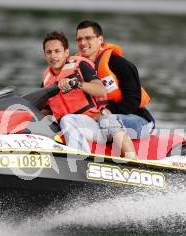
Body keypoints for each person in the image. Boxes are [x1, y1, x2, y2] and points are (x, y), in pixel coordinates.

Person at [66, 20, 155, 159]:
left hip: (138, 120)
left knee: (107, 119)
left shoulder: (120, 65)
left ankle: (134, 162)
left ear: (100, 39)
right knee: (67, 119)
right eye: (79, 39)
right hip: (99, 119)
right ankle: (76, 159)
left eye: (88, 38)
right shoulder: (75, 67)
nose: (83, 43)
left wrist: (106, 111)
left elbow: (133, 101)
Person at [41, 31, 137, 158]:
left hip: (96, 124)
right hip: (72, 127)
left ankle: (80, 161)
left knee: (68, 119)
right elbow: (46, 111)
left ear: (66, 53)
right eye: (49, 52)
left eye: (57, 51)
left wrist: (77, 84)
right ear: (45, 55)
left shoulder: (81, 66)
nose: (53, 56)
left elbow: (101, 90)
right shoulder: (46, 80)